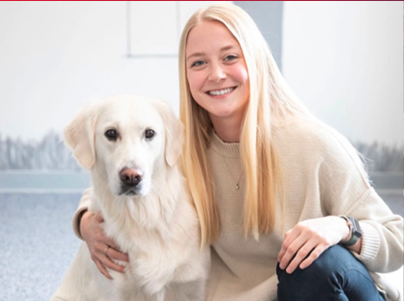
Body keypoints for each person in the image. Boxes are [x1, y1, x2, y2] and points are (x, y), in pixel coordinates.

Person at [71, 4, 403, 301]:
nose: (216, 74)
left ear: (255, 61)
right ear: (185, 75)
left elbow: (397, 239)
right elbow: (122, 176)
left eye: (230, 57)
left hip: (326, 287)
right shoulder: (184, 149)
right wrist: (85, 221)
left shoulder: (315, 145)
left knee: (313, 263)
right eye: (198, 62)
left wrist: (343, 228)